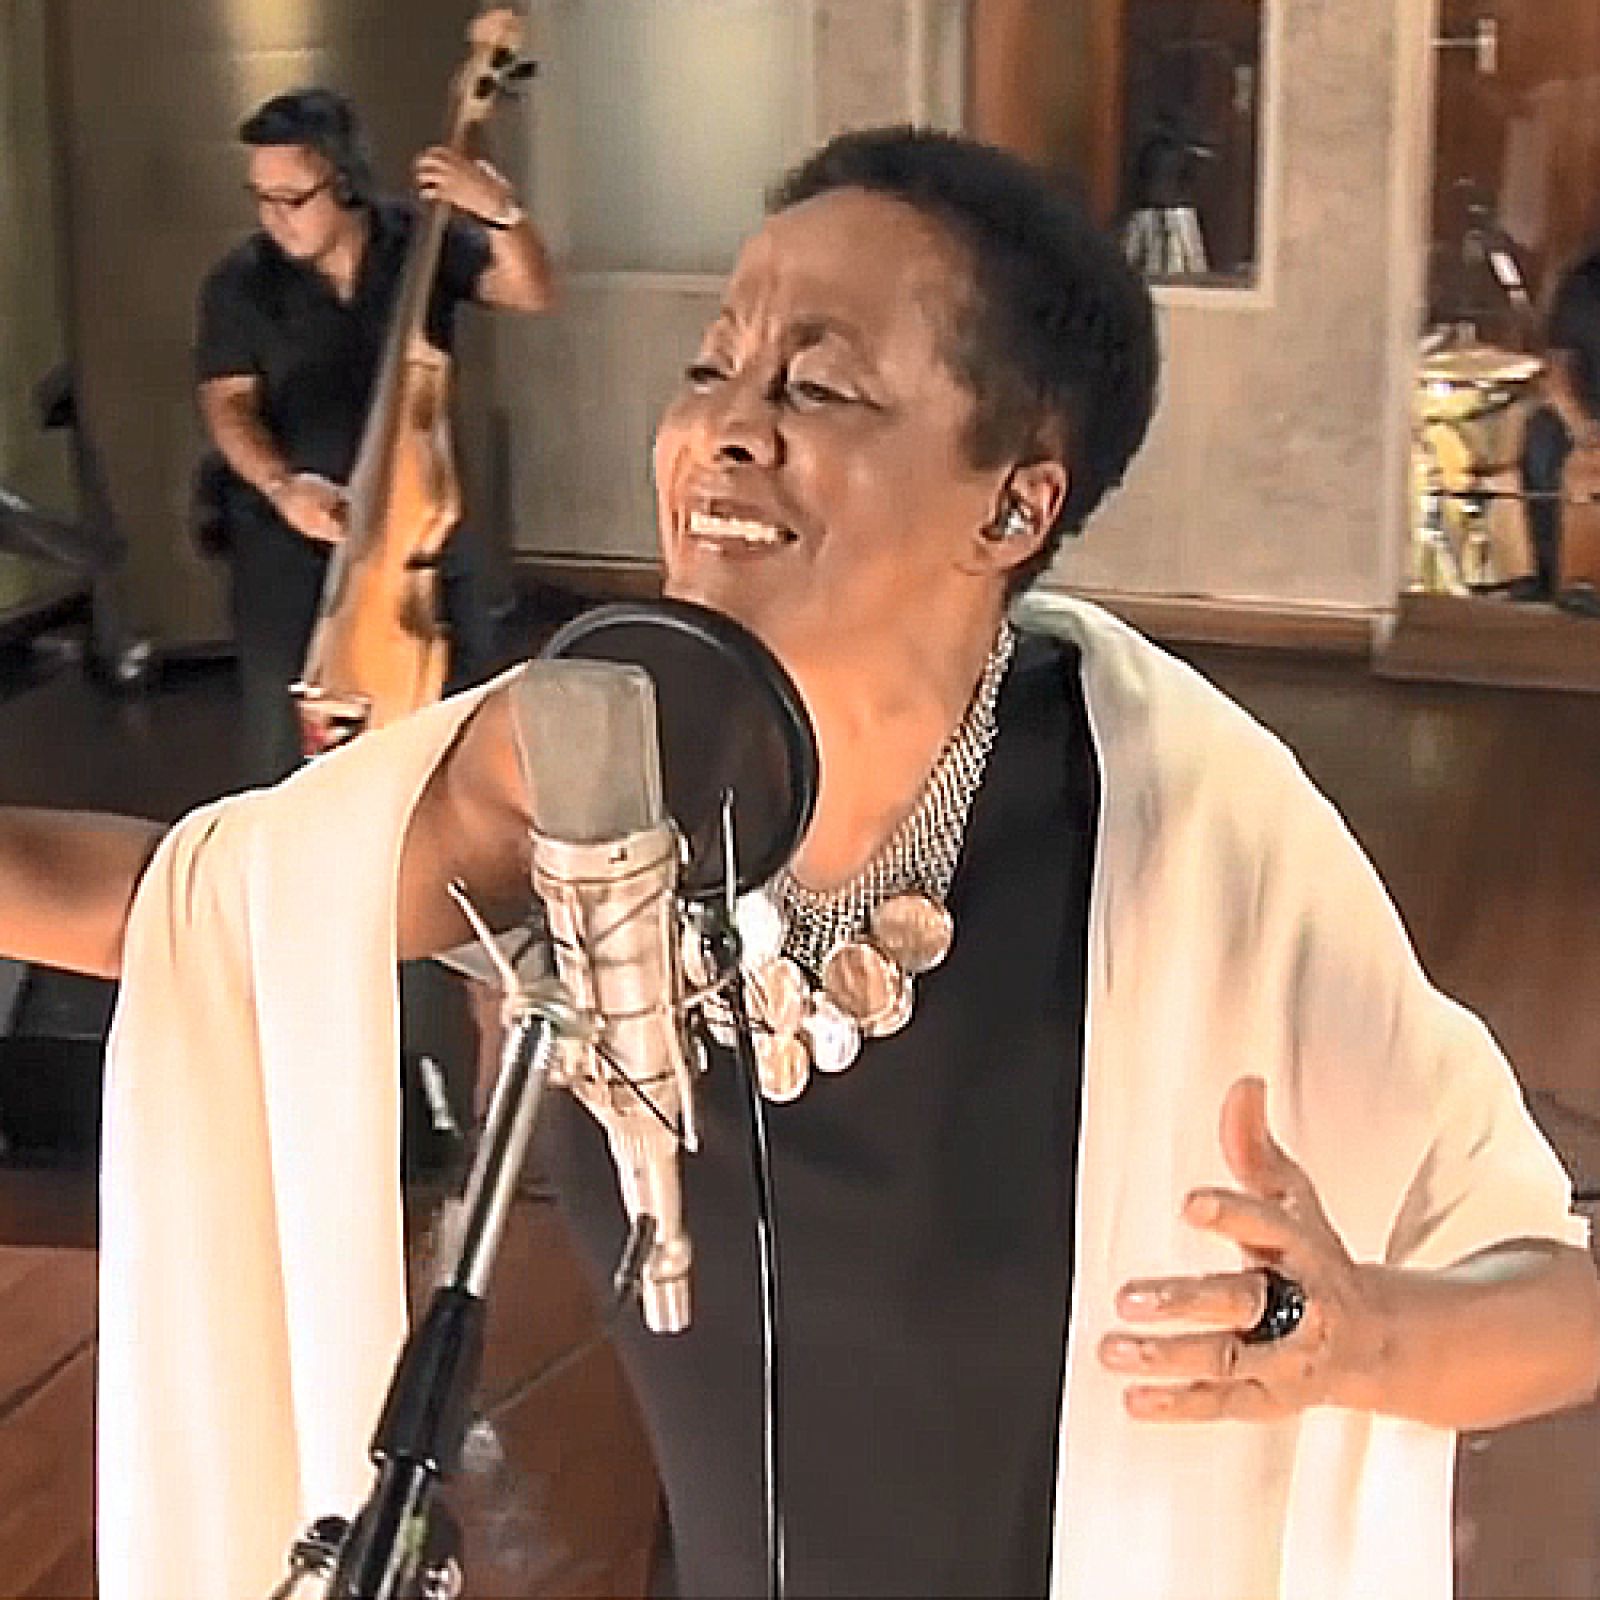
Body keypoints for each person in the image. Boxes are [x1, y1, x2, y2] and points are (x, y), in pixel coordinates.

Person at [3, 127, 1598, 1600]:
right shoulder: (590, 751)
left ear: (1014, 504)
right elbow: (199, 907)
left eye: (819, 387)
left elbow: (1553, 1293)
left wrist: (1366, 1340)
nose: (723, 427)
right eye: (712, 365)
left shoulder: (1185, 825)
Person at [195, 88, 555, 783]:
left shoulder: (418, 242)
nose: (274, 217)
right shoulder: (239, 284)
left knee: (464, 718)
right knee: (286, 749)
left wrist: (501, 213)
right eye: (260, 198)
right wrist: (282, 486)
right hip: (292, 536)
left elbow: (532, 291)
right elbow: (228, 406)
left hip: (417, 527)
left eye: (292, 198)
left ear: (347, 183)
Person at [1520, 243, 1600, 612]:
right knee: (1542, 440)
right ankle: (1552, 577)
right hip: (1587, 415)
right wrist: (1582, 428)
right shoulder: (1583, 283)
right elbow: (1558, 372)